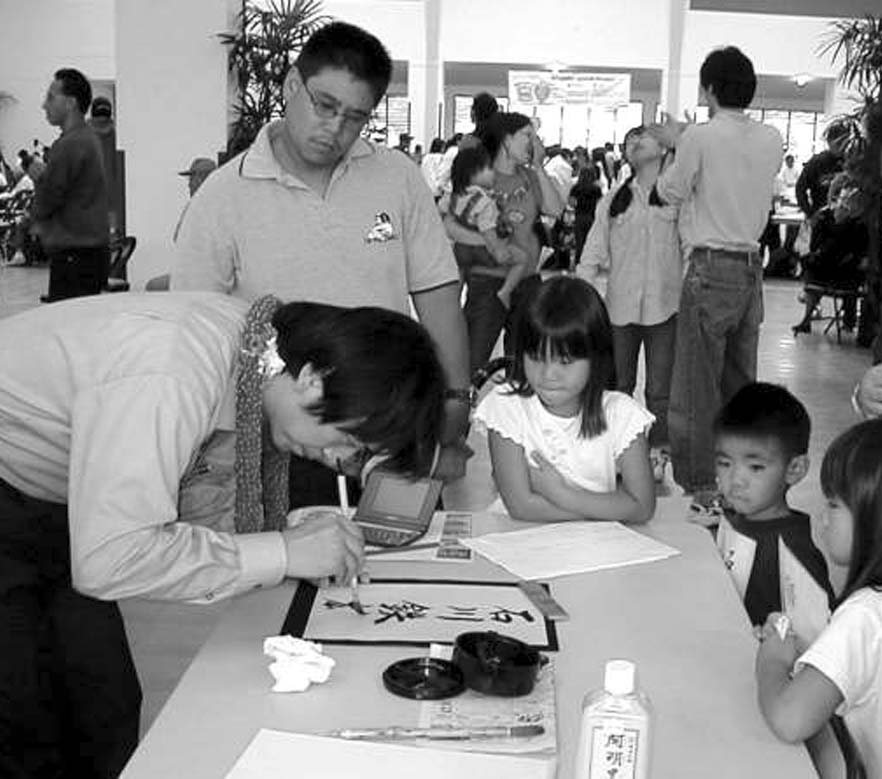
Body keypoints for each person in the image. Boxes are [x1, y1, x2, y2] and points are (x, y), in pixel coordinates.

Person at [0, 291, 445, 778]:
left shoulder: (255, 357)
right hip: (15, 489)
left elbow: (186, 495)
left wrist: (289, 541)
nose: (340, 460)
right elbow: (111, 558)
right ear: (313, 378)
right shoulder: (171, 373)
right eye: (348, 440)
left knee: (102, 705)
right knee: (26, 715)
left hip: (60, 501)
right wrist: (282, 552)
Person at [170, 22, 470, 498]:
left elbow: (436, 288)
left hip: (382, 426)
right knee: (294, 539)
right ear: (292, 84)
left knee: (396, 541)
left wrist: (454, 395)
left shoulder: (397, 178)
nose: (335, 129)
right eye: (325, 106)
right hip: (284, 434)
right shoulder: (223, 197)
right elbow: (193, 332)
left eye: (355, 117)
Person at [648, 46, 782, 512]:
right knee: (740, 384)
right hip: (751, 269)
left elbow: (669, 192)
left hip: (709, 268)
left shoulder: (699, 138)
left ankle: (701, 486)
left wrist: (675, 143)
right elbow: (738, 167)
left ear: (708, 89)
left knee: (694, 386)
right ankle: (744, 478)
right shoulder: (772, 137)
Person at [755, 420, 882, 777]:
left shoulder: (866, 615)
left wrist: (772, 661)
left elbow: (790, 719)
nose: (823, 519)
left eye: (834, 504)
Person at [473, 276, 656, 524]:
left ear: (596, 358)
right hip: (519, 537)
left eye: (565, 361)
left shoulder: (622, 413)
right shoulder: (506, 405)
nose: (548, 374)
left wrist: (559, 493)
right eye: (536, 357)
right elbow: (521, 507)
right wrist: (609, 510)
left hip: (597, 544)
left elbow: (642, 508)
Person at [579, 126, 684, 481]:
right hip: (620, 310)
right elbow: (593, 249)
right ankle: (616, 452)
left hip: (665, 309)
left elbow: (689, 250)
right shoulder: (614, 200)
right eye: (630, 140)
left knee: (660, 392)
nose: (635, 142)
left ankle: (657, 456)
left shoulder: (677, 199)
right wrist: (580, 294)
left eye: (644, 136)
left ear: (664, 148)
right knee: (617, 387)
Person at [444, 112, 565, 377]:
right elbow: (449, 224)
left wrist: (539, 167)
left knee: (525, 365)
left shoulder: (530, 177)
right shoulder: (480, 174)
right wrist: (490, 243)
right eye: (527, 135)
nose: (534, 142)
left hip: (527, 281)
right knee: (472, 362)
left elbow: (555, 209)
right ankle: (463, 403)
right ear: (506, 139)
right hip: (487, 281)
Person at [712, 383, 834, 634]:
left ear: (795, 469)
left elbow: (822, 640)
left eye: (755, 467)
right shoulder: (730, 518)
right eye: (725, 463)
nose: (735, 480)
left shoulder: (796, 555)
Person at [33, 68, 110, 303]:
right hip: (89, 255)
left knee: (69, 322)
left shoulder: (70, 144)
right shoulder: (87, 139)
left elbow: (48, 199)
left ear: (70, 103)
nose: (44, 105)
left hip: (75, 257)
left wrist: (39, 179)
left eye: (50, 97)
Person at [441, 145, 529, 309]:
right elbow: (487, 229)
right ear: (474, 173)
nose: (493, 172)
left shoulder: (454, 196)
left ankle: (452, 305)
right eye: (488, 168)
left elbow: (444, 213)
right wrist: (497, 249)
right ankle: (505, 292)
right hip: (483, 252)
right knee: (522, 259)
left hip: (460, 250)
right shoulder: (485, 202)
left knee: (459, 273)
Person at [791, 175, 868, 336]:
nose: (844, 204)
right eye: (842, 199)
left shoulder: (859, 223)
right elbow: (816, 245)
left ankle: (813, 316)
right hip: (827, 265)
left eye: (848, 200)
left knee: (817, 264)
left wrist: (841, 224)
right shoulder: (825, 217)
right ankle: (807, 318)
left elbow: (856, 251)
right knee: (812, 263)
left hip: (846, 271)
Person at [796, 121, 851, 219]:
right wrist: (810, 213)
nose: (842, 147)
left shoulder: (853, 161)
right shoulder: (816, 162)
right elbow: (800, 188)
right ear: (829, 142)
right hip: (823, 217)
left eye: (846, 143)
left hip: (849, 218)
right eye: (838, 143)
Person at [569, 162, 603, 261]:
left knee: (579, 242)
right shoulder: (596, 189)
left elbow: (571, 203)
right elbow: (600, 203)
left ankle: (578, 260)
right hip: (591, 217)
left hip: (579, 216)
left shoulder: (576, 188)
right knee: (590, 241)